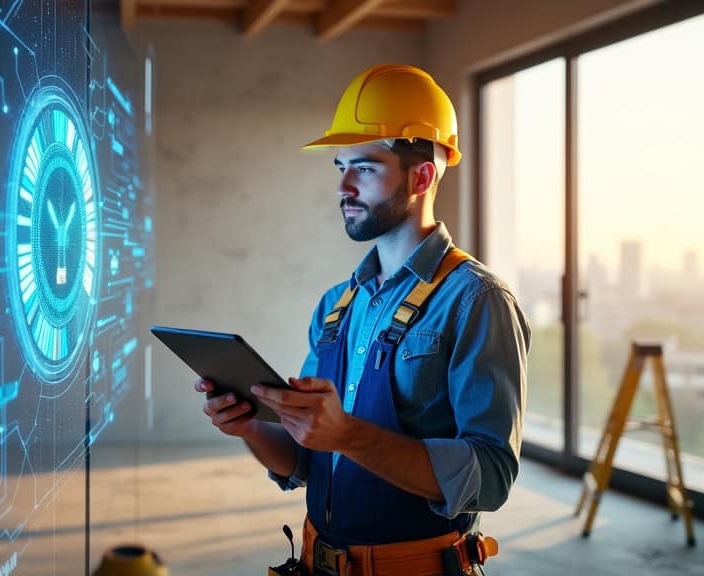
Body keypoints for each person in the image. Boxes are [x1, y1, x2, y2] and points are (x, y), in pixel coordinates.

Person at [195, 64, 530, 576]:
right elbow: (305, 460)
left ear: (421, 176)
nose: (344, 187)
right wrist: (248, 427)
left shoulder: (476, 301)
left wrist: (348, 434)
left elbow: (491, 475)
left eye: (366, 168)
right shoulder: (337, 305)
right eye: (340, 167)